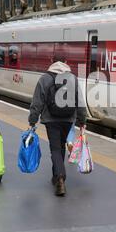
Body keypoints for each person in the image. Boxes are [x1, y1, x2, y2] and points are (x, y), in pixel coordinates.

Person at [28, 55, 87, 197]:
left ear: (51, 62)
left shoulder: (45, 78)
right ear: (66, 63)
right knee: (61, 147)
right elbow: (80, 101)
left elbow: (37, 101)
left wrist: (32, 120)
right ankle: (56, 176)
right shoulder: (72, 78)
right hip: (68, 119)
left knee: (55, 148)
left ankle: (60, 177)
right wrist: (82, 121)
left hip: (51, 120)